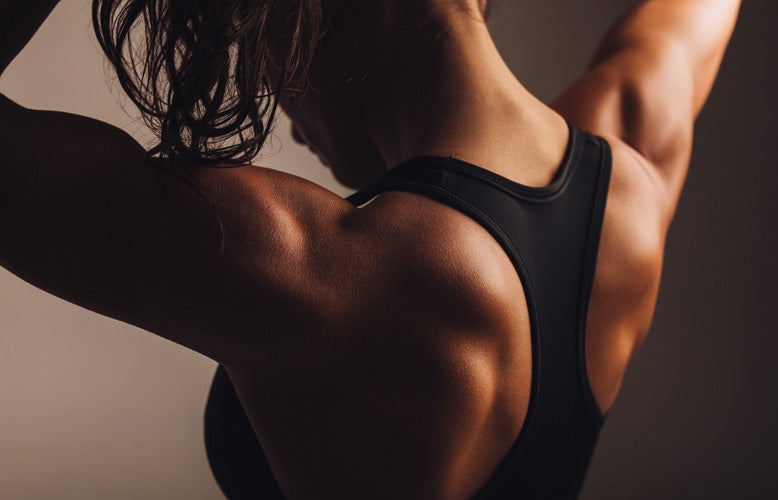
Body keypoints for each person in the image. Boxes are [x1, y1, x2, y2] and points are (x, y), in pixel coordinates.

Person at [0, 0, 740, 498]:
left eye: (261, 44)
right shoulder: (627, 192)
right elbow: (682, 28)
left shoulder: (307, 269)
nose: (285, 114)